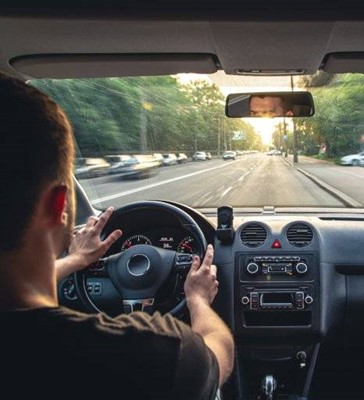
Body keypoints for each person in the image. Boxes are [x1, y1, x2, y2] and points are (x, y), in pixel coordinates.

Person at [0, 72, 234, 399]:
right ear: (60, 205)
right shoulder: (149, 354)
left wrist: (76, 261)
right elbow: (218, 353)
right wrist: (197, 299)